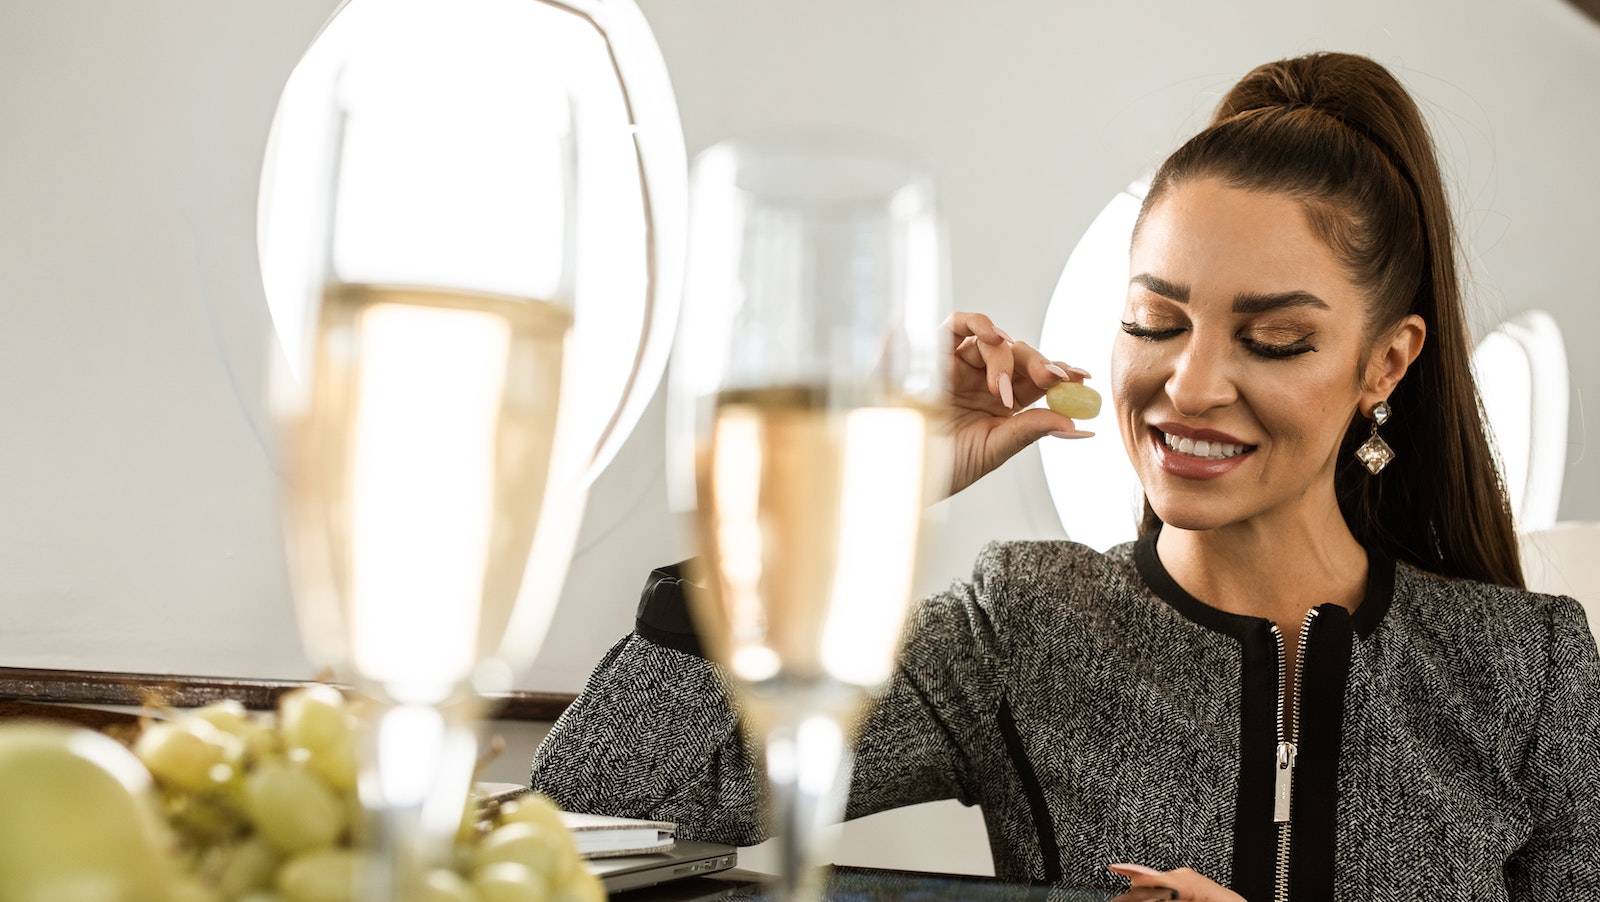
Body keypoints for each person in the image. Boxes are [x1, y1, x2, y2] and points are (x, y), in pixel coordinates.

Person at [529, 52, 1600, 900]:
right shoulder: (1028, 622)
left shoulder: (1530, 670)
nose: (1190, 383)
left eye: (1272, 338)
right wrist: (847, 488)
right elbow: (591, 812)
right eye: (1155, 320)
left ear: (1385, 362)